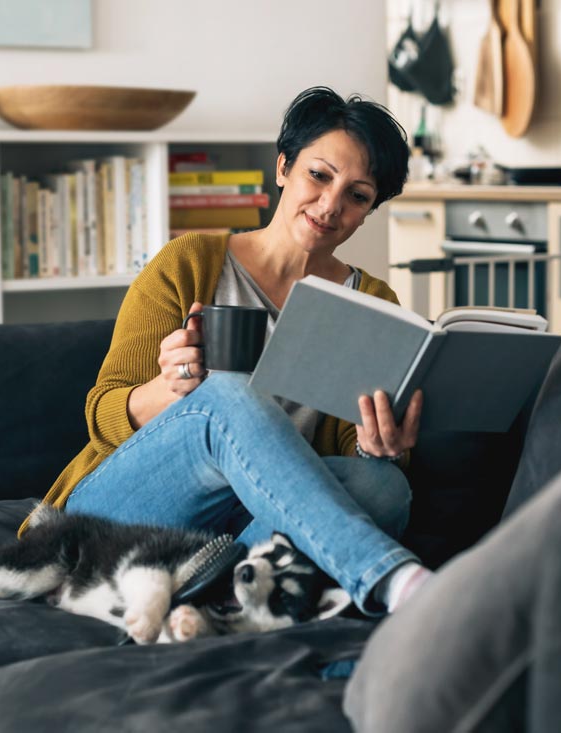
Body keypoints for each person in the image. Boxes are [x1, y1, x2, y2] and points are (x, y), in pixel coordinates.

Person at [23, 87, 431, 615]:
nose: (331, 206)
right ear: (283, 166)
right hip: (119, 513)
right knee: (230, 391)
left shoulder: (372, 303)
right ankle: (395, 578)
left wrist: (382, 445)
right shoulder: (189, 262)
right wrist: (168, 391)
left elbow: (350, 451)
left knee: (383, 486)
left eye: (358, 195)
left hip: (246, 524)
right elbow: (101, 414)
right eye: (319, 175)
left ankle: (205, 589)